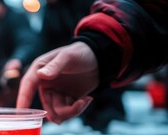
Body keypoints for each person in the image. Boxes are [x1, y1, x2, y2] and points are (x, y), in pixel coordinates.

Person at [16, 0, 168, 124]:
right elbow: (44, 41)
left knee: (107, 116)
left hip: (103, 68)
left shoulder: (82, 3)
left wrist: (95, 46)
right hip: (73, 72)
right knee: (81, 111)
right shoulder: (50, 11)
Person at [0, 0, 38, 106]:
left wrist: (17, 59)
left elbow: (28, 41)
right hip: (0, 77)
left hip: (19, 69)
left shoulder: (16, 17)